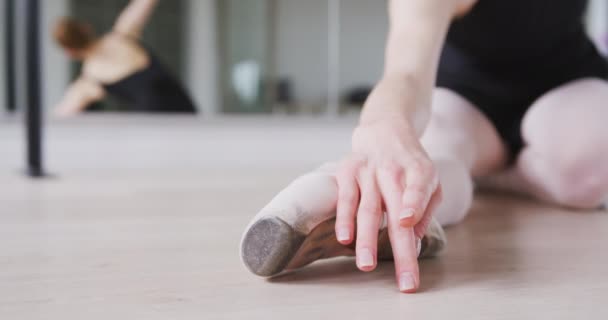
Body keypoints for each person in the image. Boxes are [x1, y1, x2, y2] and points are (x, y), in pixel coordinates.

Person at [240, 0, 608, 293]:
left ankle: (492, 175)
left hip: (569, 84)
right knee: (436, 157)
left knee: (586, 170)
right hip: (465, 98)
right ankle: (341, 196)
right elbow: (406, 73)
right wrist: (385, 129)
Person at [52, 0, 197, 115]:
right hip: (185, 111)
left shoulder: (89, 81)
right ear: (86, 28)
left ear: (69, 51)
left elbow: (59, 118)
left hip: (154, 127)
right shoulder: (124, 34)